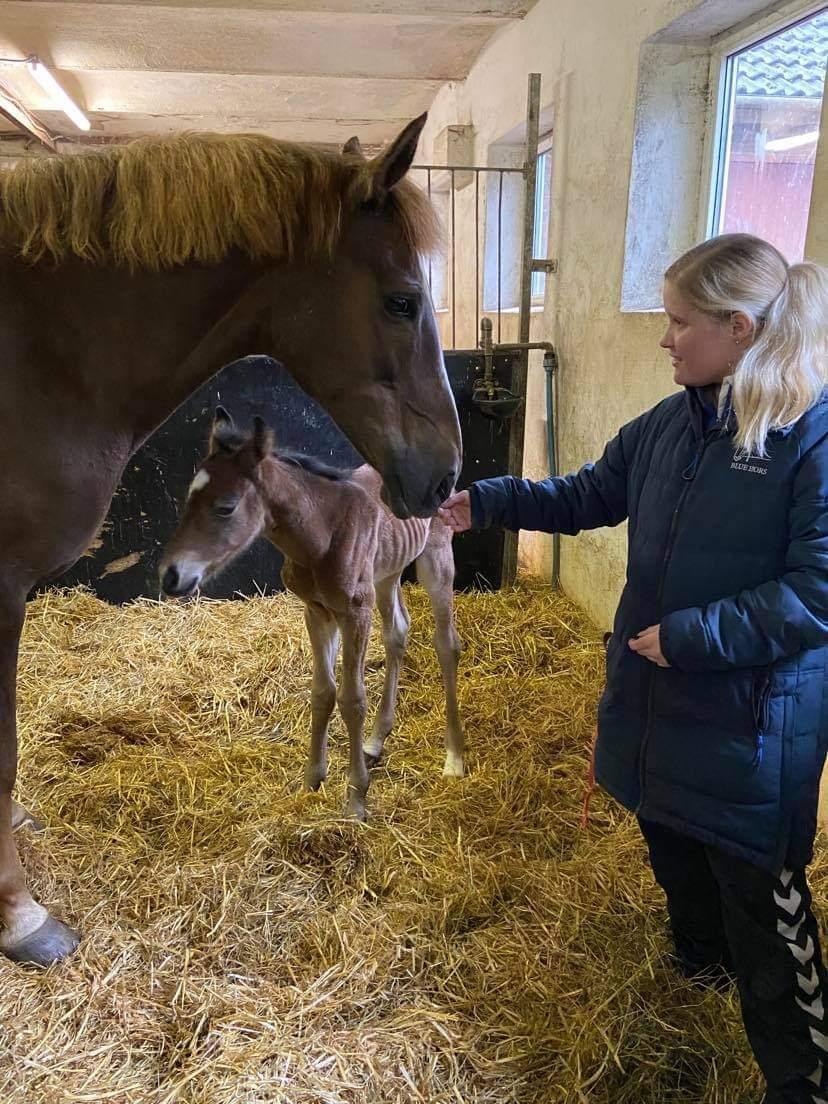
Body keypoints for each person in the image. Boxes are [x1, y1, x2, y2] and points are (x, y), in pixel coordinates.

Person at [439, 233, 828, 1104]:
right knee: (673, 848)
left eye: (679, 322)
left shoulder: (811, 436)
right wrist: (488, 501)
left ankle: (801, 1075)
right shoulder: (666, 427)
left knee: (763, 904)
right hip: (660, 704)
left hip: (751, 723)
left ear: (736, 328)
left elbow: (819, 590)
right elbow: (587, 495)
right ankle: (696, 973)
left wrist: (691, 637)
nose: (666, 339)